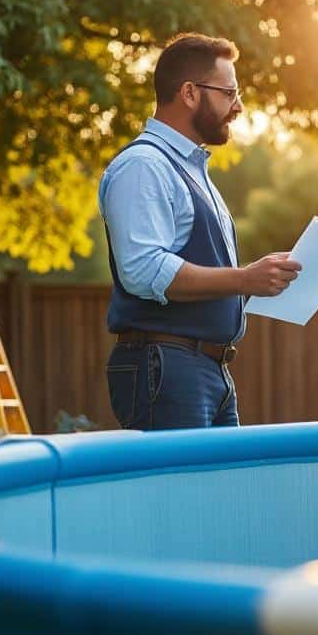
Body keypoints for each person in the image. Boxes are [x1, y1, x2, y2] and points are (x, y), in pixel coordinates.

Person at [98, 32, 300, 430]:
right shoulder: (144, 165)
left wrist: (259, 280)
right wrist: (244, 278)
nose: (238, 107)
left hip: (206, 371)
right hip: (166, 368)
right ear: (189, 93)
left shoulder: (192, 170)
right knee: (180, 494)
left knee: (221, 493)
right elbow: (143, 271)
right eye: (229, 92)